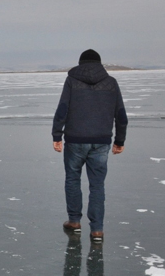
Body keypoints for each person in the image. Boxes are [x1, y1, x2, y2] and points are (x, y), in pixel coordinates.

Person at [52, 49, 128, 243]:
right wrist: (119, 141)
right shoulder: (111, 83)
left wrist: (57, 135)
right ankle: (97, 230)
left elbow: (62, 108)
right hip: (101, 141)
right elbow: (121, 115)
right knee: (97, 185)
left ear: (80, 63)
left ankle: (74, 221)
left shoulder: (72, 81)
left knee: (72, 179)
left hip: (75, 140)